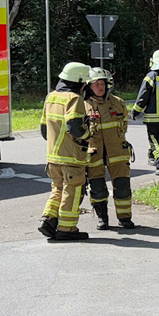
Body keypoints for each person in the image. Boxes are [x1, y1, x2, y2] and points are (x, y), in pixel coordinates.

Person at [39, 61, 94, 241]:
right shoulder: (74, 99)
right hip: (72, 158)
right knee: (73, 190)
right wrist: (88, 135)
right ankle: (67, 228)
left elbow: (44, 130)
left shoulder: (51, 97)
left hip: (53, 157)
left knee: (57, 188)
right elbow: (75, 127)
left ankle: (48, 219)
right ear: (81, 82)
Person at [85, 68, 135, 230]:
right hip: (94, 154)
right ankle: (102, 218)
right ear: (89, 86)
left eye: (102, 84)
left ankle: (125, 218)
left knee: (122, 186)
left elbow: (124, 125)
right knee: (97, 188)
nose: (100, 87)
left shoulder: (118, 103)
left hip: (118, 152)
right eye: (96, 84)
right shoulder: (83, 106)